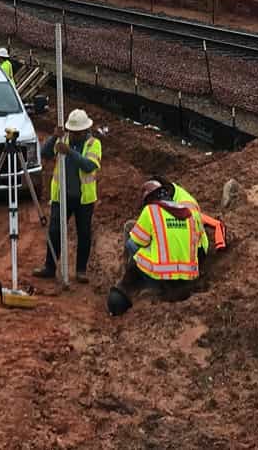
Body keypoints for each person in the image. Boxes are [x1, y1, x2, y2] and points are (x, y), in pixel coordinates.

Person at [107, 179, 207, 315]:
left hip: (163, 279)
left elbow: (137, 241)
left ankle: (137, 288)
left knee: (133, 247)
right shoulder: (187, 211)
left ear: (149, 199)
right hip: (188, 278)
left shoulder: (151, 211)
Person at [32, 109, 102, 284]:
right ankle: (50, 267)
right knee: (54, 231)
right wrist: (54, 137)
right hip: (61, 196)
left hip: (84, 199)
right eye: (72, 132)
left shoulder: (93, 144)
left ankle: (81, 271)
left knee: (84, 234)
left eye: (78, 133)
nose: (74, 135)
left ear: (85, 130)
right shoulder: (63, 140)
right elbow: (45, 153)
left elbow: (89, 166)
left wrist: (69, 152)